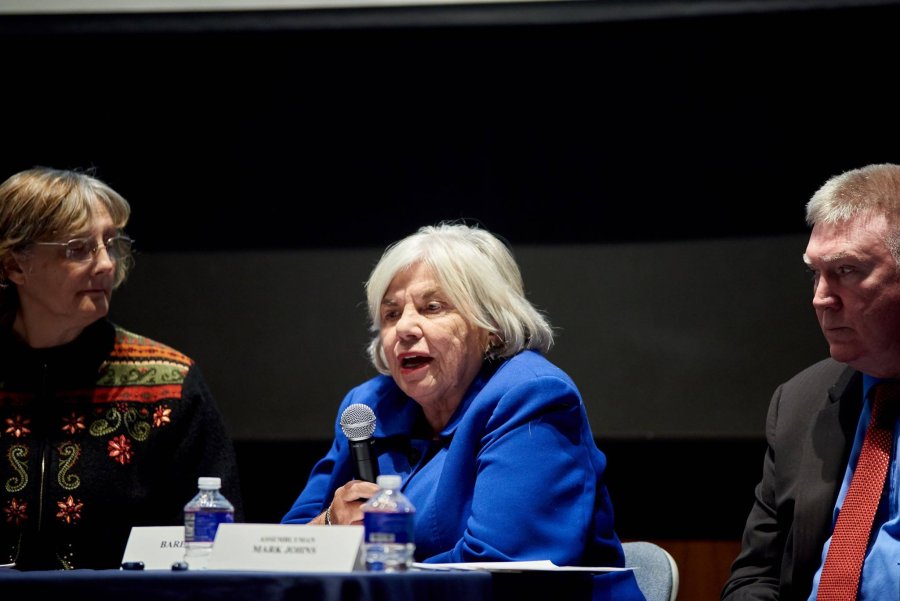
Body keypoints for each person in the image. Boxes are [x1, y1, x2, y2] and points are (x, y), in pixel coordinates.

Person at [282, 221, 644, 599]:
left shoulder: (530, 396)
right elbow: (281, 547)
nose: (404, 328)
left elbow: (502, 568)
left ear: (491, 325)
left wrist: (365, 579)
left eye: (432, 307)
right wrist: (328, 524)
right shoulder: (368, 408)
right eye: (391, 315)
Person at [0, 166, 243, 570]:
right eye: (78, 248)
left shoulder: (169, 380)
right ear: (14, 266)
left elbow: (218, 550)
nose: (106, 265)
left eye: (110, 244)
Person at [721, 163, 900, 600]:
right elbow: (754, 578)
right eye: (815, 272)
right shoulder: (799, 402)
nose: (821, 297)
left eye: (847, 270)